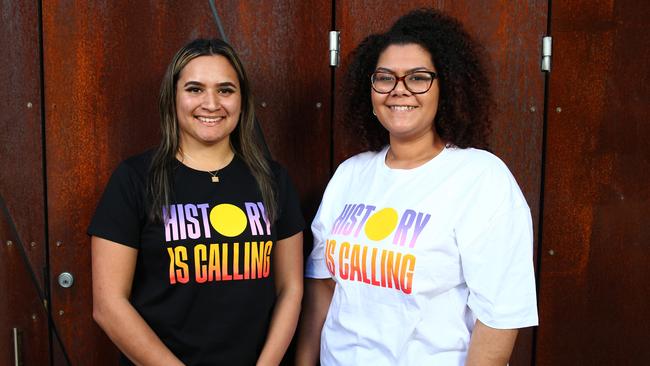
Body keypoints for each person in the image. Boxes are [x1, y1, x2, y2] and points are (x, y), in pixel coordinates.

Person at [296, 8, 538, 366]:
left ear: (447, 87)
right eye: (385, 78)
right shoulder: (350, 175)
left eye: (418, 77)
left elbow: (498, 318)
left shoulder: (480, 178)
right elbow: (324, 285)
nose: (399, 90)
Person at [89, 38, 304, 365]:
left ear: (242, 100)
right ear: (172, 98)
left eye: (225, 90)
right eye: (194, 89)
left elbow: (290, 288)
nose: (211, 103)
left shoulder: (273, 180)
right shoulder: (134, 179)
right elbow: (108, 305)